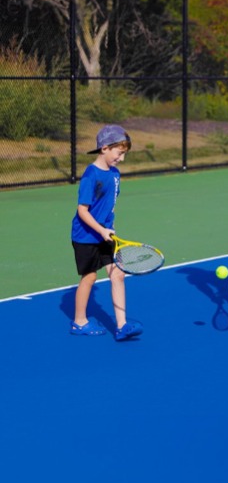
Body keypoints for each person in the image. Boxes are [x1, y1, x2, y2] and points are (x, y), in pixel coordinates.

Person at [70, 124, 143, 341]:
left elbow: (109, 205)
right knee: (90, 277)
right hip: (85, 236)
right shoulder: (91, 175)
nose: (122, 158)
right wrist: (101, 229)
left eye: (124, 154)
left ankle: (122, 326)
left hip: (106, 234)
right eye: (119, 153)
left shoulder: (115, 174)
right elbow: (82, 211)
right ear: (104, 148)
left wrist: (108, 228)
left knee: (118, 273)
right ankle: (79, 321)